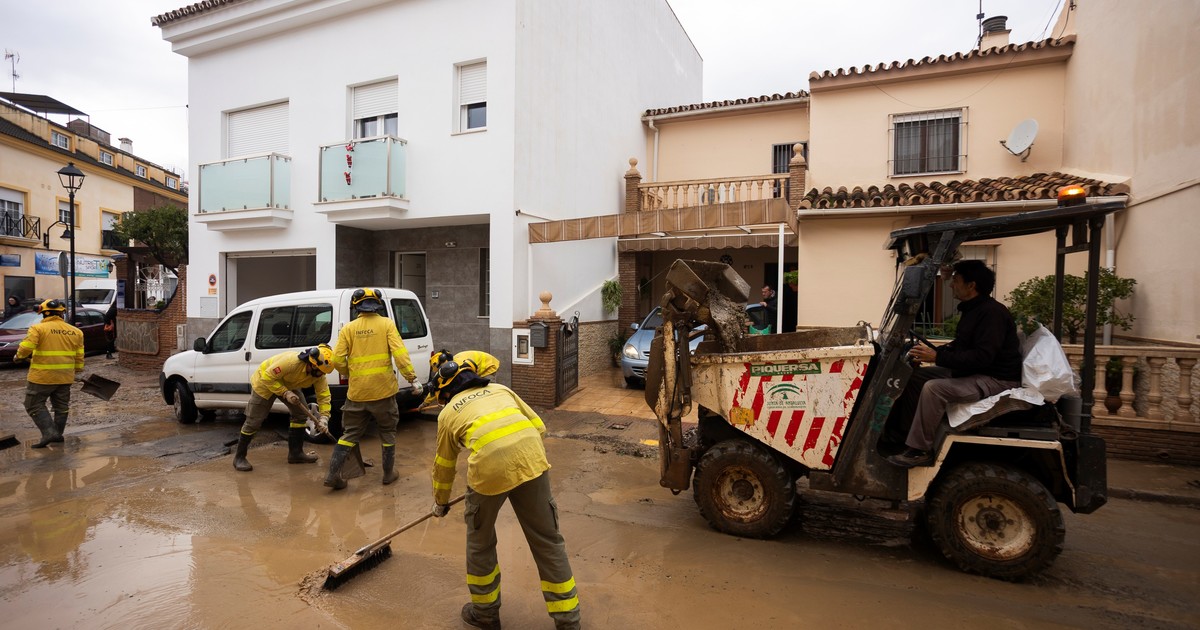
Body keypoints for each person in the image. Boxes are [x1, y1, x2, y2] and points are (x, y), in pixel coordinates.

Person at [429, 360, 581, 630]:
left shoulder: (449, 412)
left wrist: (440, 502)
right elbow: (539, 427)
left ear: (446, 392)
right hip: (531, 459)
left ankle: (485, 614)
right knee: (548, 541)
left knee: (480, 543)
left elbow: (444, 466)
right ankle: (569, 620)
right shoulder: (501, 389)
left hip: (489, 470)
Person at [886, 260, 1023, 468]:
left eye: (956, 281)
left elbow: (982, 357)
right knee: (914, 377)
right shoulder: (974, 309)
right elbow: (961, 346)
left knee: (934, 389)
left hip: (996, 379)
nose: (951, 285)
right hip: (976, 371)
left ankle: (920, 450)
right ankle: (906, 434)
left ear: (971, 285)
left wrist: (937, 357)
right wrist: (934, 353)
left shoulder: (992, 313)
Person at [325, 288, 420, 489]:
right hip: (383, 392)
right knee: (387, 432)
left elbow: (337, 360)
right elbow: (400, 354)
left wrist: (352, 373)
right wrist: (412, 379)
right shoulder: (386, 324)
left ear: (356, 307)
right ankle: (388, 474)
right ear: (377, 305)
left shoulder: (348, 329)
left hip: (357, 393)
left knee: (350, 434)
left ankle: (333, 474)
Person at [232, 344, 334, 472]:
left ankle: (296, 454)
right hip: (265, 382)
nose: (322, 375)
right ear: (313, 365)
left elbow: (324, 395)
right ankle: (239, 457)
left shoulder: (318, 375)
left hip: (288, 383)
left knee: (301, 415)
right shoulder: (291, 363)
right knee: (254, 421)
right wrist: (285, 393)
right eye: (320, 372)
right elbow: (267, 377)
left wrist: (324, 417)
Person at [14, 299, 85, 448]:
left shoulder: (38, 328)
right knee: (61, 407)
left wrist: (19, 356)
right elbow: (79, 355)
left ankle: (49, 433)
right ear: (61, 314)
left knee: (33, 405)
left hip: (42, 377)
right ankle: (57, 434)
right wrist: (77, 370)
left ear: (44, 313)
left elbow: (26, 347)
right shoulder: (76, 332)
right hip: (65, 377)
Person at [423, 349, 501, 406]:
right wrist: (426, 403)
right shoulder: (452, 365)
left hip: (488, 366)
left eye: (440, 369)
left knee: (488, 393)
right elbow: (437, 386)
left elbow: (439, 386)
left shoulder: (457, 367)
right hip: (479, 368)